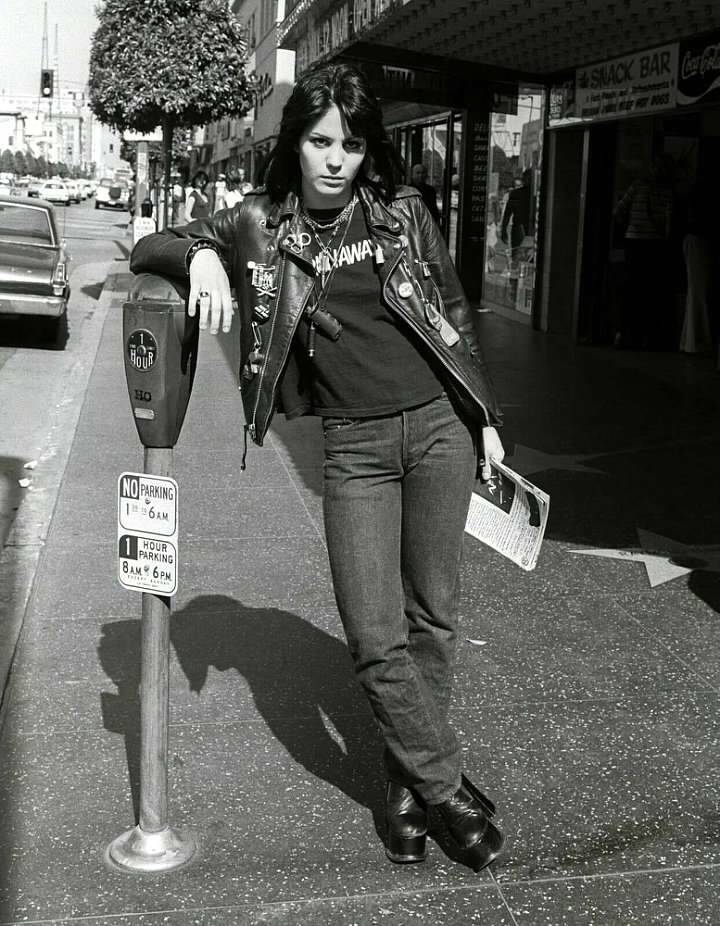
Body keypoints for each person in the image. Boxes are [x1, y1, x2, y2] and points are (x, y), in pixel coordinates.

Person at [131, 62, 506, 873]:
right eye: (320, 141)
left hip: (439, 428)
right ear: (296, 144)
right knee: (376, 640)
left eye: (351, 144)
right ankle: (446, 789)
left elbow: (451, 311)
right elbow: (150, 241)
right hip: (357, 449)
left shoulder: (403, 211)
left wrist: (486, 420)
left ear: (368, 151)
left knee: (432, 619)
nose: (336, 159)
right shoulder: (263, 223)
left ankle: (408, 795)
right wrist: (198, 256)